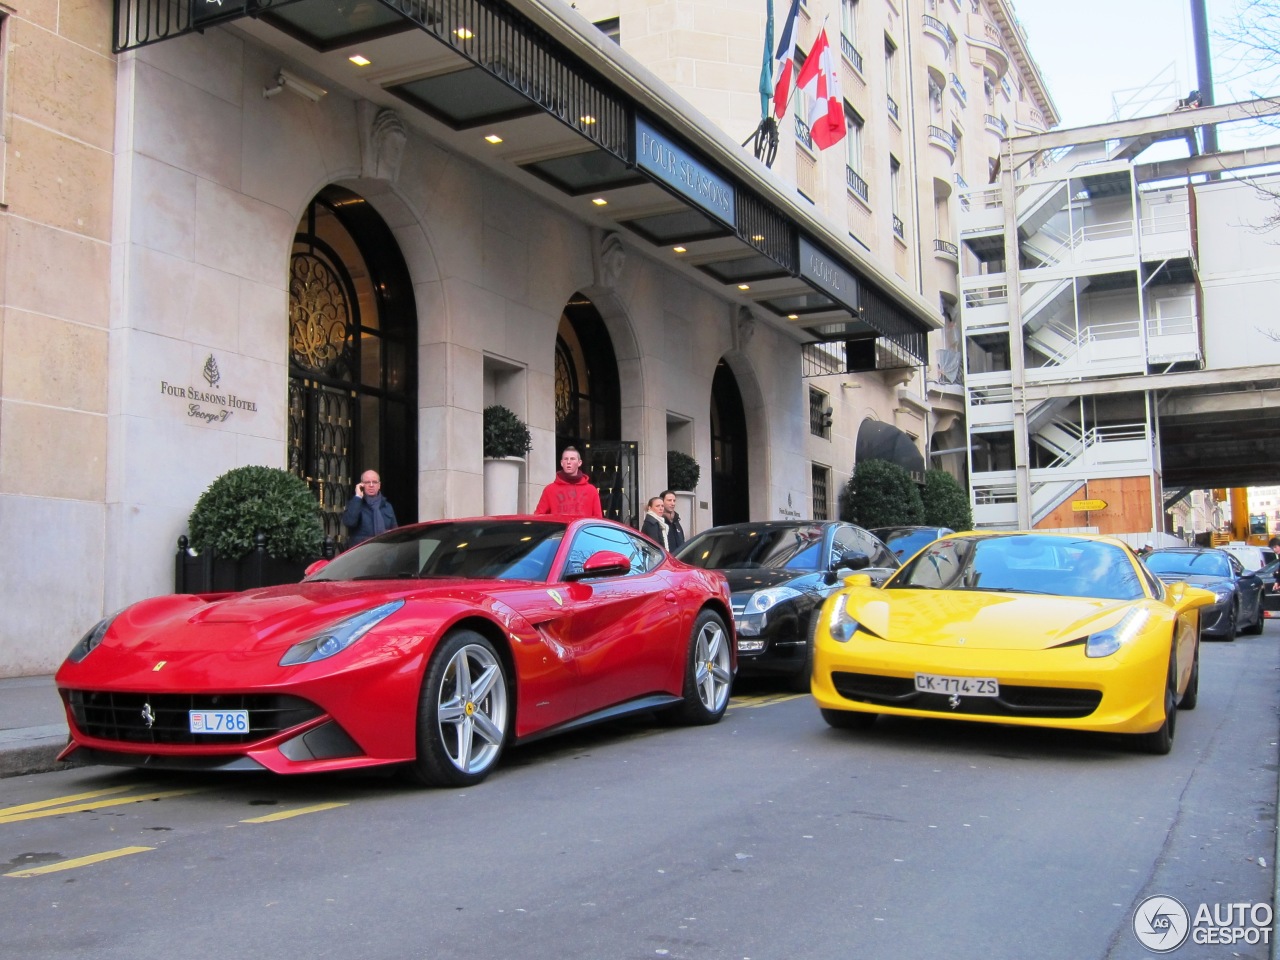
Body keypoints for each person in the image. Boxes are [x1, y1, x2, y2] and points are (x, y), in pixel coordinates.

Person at [534, 446, 603, 518]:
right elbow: (538, 517)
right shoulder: (549, 490)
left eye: (572, 459)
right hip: (560, 529)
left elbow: (598, 520)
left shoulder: (591, 490)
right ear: (561, 463)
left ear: (579, 463)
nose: (568, 462)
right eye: (566, 459)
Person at [341, 470, 398, 549]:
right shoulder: (355, 503)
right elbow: (349, 522)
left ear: (379, 485)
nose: (371, 485)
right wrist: (358, 497)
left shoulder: (387, 506)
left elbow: (395, 533)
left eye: (374, 482)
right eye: (367, 482)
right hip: (362, 554)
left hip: (384, 554)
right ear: (362, 485)